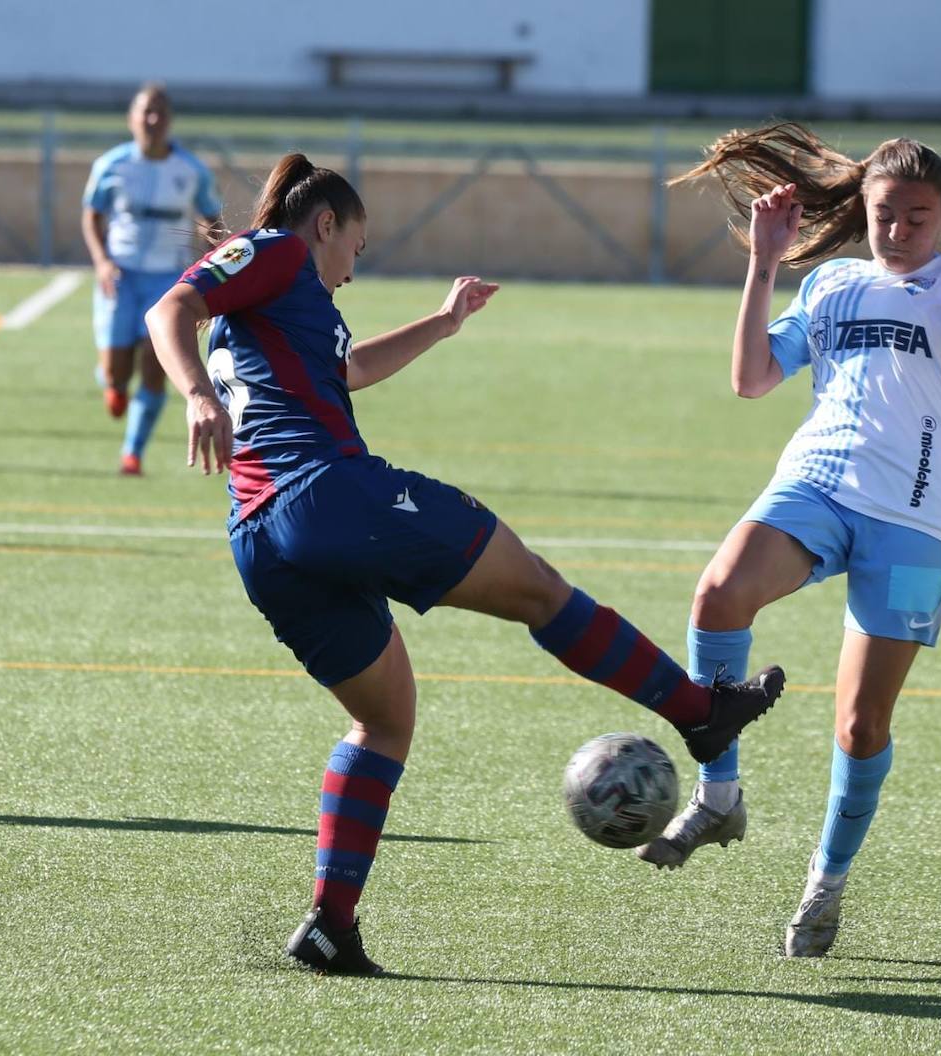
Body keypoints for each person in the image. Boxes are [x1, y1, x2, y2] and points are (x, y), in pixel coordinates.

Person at [144, 153, 785, 975]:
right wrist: (195, 392)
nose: (351, 269)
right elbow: (174, 307)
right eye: (357, 249)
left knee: (384, 722)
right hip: (326, 494)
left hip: (261, 540)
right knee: (542, 592)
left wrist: (443, 323)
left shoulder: (282, 308)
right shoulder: (277, 251)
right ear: (327, 224)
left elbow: (349, 372)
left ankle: (331, 926)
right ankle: (698, 711)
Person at [634, 124, 941, 958]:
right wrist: (763, 263)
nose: (899, 231)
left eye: (919, 217)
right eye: (887, 214)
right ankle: (719, 792)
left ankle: (826, 882)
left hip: (917, 523)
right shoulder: (832, 286)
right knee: (718, 593)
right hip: (817, 485)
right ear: (865, 208)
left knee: (861, 724)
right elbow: (750, 380)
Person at [81, 83, 222, 475]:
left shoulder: (191, 170)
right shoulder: (112, 165)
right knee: (116, 371)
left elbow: (212, 218)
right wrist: (102, 261)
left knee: (155, 361)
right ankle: (111, 381)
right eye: (146, 112)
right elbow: (92, 215)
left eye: (160, 112)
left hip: (167, 280)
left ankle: (133, 452)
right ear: (132, 118)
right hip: (121, 277)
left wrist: (212, 259)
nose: (153, 120)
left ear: (170, 120)